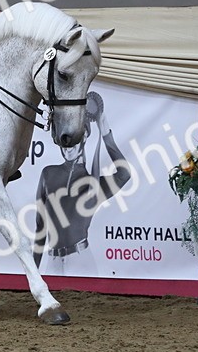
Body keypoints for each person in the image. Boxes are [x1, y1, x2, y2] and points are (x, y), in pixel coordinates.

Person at [33, 91, 133, 271]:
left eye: (74, 139)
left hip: (81, 260)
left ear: (85, 136)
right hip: (52, 262)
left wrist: (105, 131)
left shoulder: (93, 184)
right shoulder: (48, 174)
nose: (68, 147)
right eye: (64, 140)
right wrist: (33, 272)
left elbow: (124, 174)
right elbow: (40, 226)